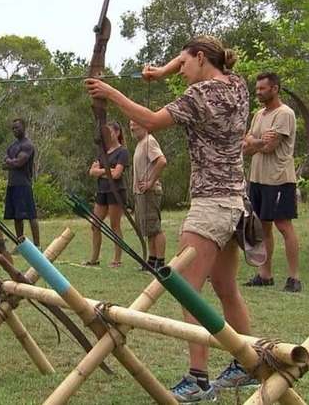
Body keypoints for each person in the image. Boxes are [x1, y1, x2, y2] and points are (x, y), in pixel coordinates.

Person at [86, 36, 256, 402]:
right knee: (226, 289)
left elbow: (149, 120)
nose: (180, 72)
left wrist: (110, 92)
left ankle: (197, 379)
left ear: (199, 58)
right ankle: (250, 365)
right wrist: (163, 70)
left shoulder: (199, 96)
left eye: (183, 64)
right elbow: (199, 67)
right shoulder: (238, 86)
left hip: (211, 204)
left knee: (185, 287)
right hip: (236, 202)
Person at [242, 73, 301, 292]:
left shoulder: (285, 114)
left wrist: (253, 143)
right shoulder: (258, 114)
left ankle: (294, 277)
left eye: (262, 89)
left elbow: (270, 146)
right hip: (257, 179)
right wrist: (256, 142)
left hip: (278, 180)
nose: (258, 92)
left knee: (284, 226)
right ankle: (265, 275)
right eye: (256, 89)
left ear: (275, 89)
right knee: (262, 227)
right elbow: (245, 144)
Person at [83, 121, 130, 268]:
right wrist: (107, 170)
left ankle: (117, 260)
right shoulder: (102, 151)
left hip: (115, 192)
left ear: (117, 133)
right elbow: (92, 171)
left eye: (110, 133)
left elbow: (117, 174)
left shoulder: (122, 152)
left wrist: (102, 171)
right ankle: (94, 259)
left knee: (114, 225)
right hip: (102, 191)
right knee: (95, 224)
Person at [129, 120, 167, 270]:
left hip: (150, 192)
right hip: (141, 193)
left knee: (155, 227)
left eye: (135, 124)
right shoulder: (140, 143)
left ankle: (161, 262)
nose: (132, 127)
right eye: (130, 125)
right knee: (147, 228)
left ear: (144, 125)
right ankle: (152, 260)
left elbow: (162, 161)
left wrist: (150, 181)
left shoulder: (149, 141)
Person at [2, 118, 40, 246]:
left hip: (23, 184)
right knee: (17, 217)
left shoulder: (27, 145)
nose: (15, 130)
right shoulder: (13, 146)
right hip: (12, 184)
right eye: (13, 128)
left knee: (30, 215)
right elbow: (4, 163)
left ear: (24, 127)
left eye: (17, 127)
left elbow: (19, 162)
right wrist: (11, 162)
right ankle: (21, 244)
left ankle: (37, 245)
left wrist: (10, 162)